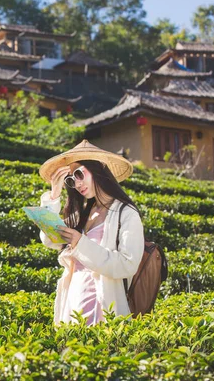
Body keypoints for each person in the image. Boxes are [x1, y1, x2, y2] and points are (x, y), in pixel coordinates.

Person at [37, 139, 144, 326]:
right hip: (74, 299)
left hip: (103, 302)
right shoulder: (83, 215)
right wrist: (53, 196)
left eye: (79, 174)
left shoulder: (125, 213)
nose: (77, 184)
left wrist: (81, 244)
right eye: (71, 179)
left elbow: (128, 264)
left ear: (98, 169)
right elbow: (49, 239)